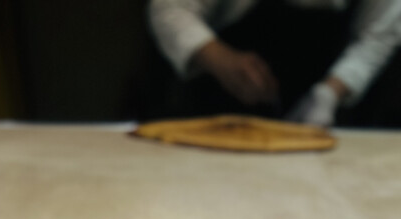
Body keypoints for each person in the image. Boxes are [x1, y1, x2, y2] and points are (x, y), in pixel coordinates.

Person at [148, 0, 401, 126]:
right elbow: (170, 9)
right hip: (214, 111)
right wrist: (219, 58)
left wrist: (330, 92)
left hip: (320, 124)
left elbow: (379, 32)